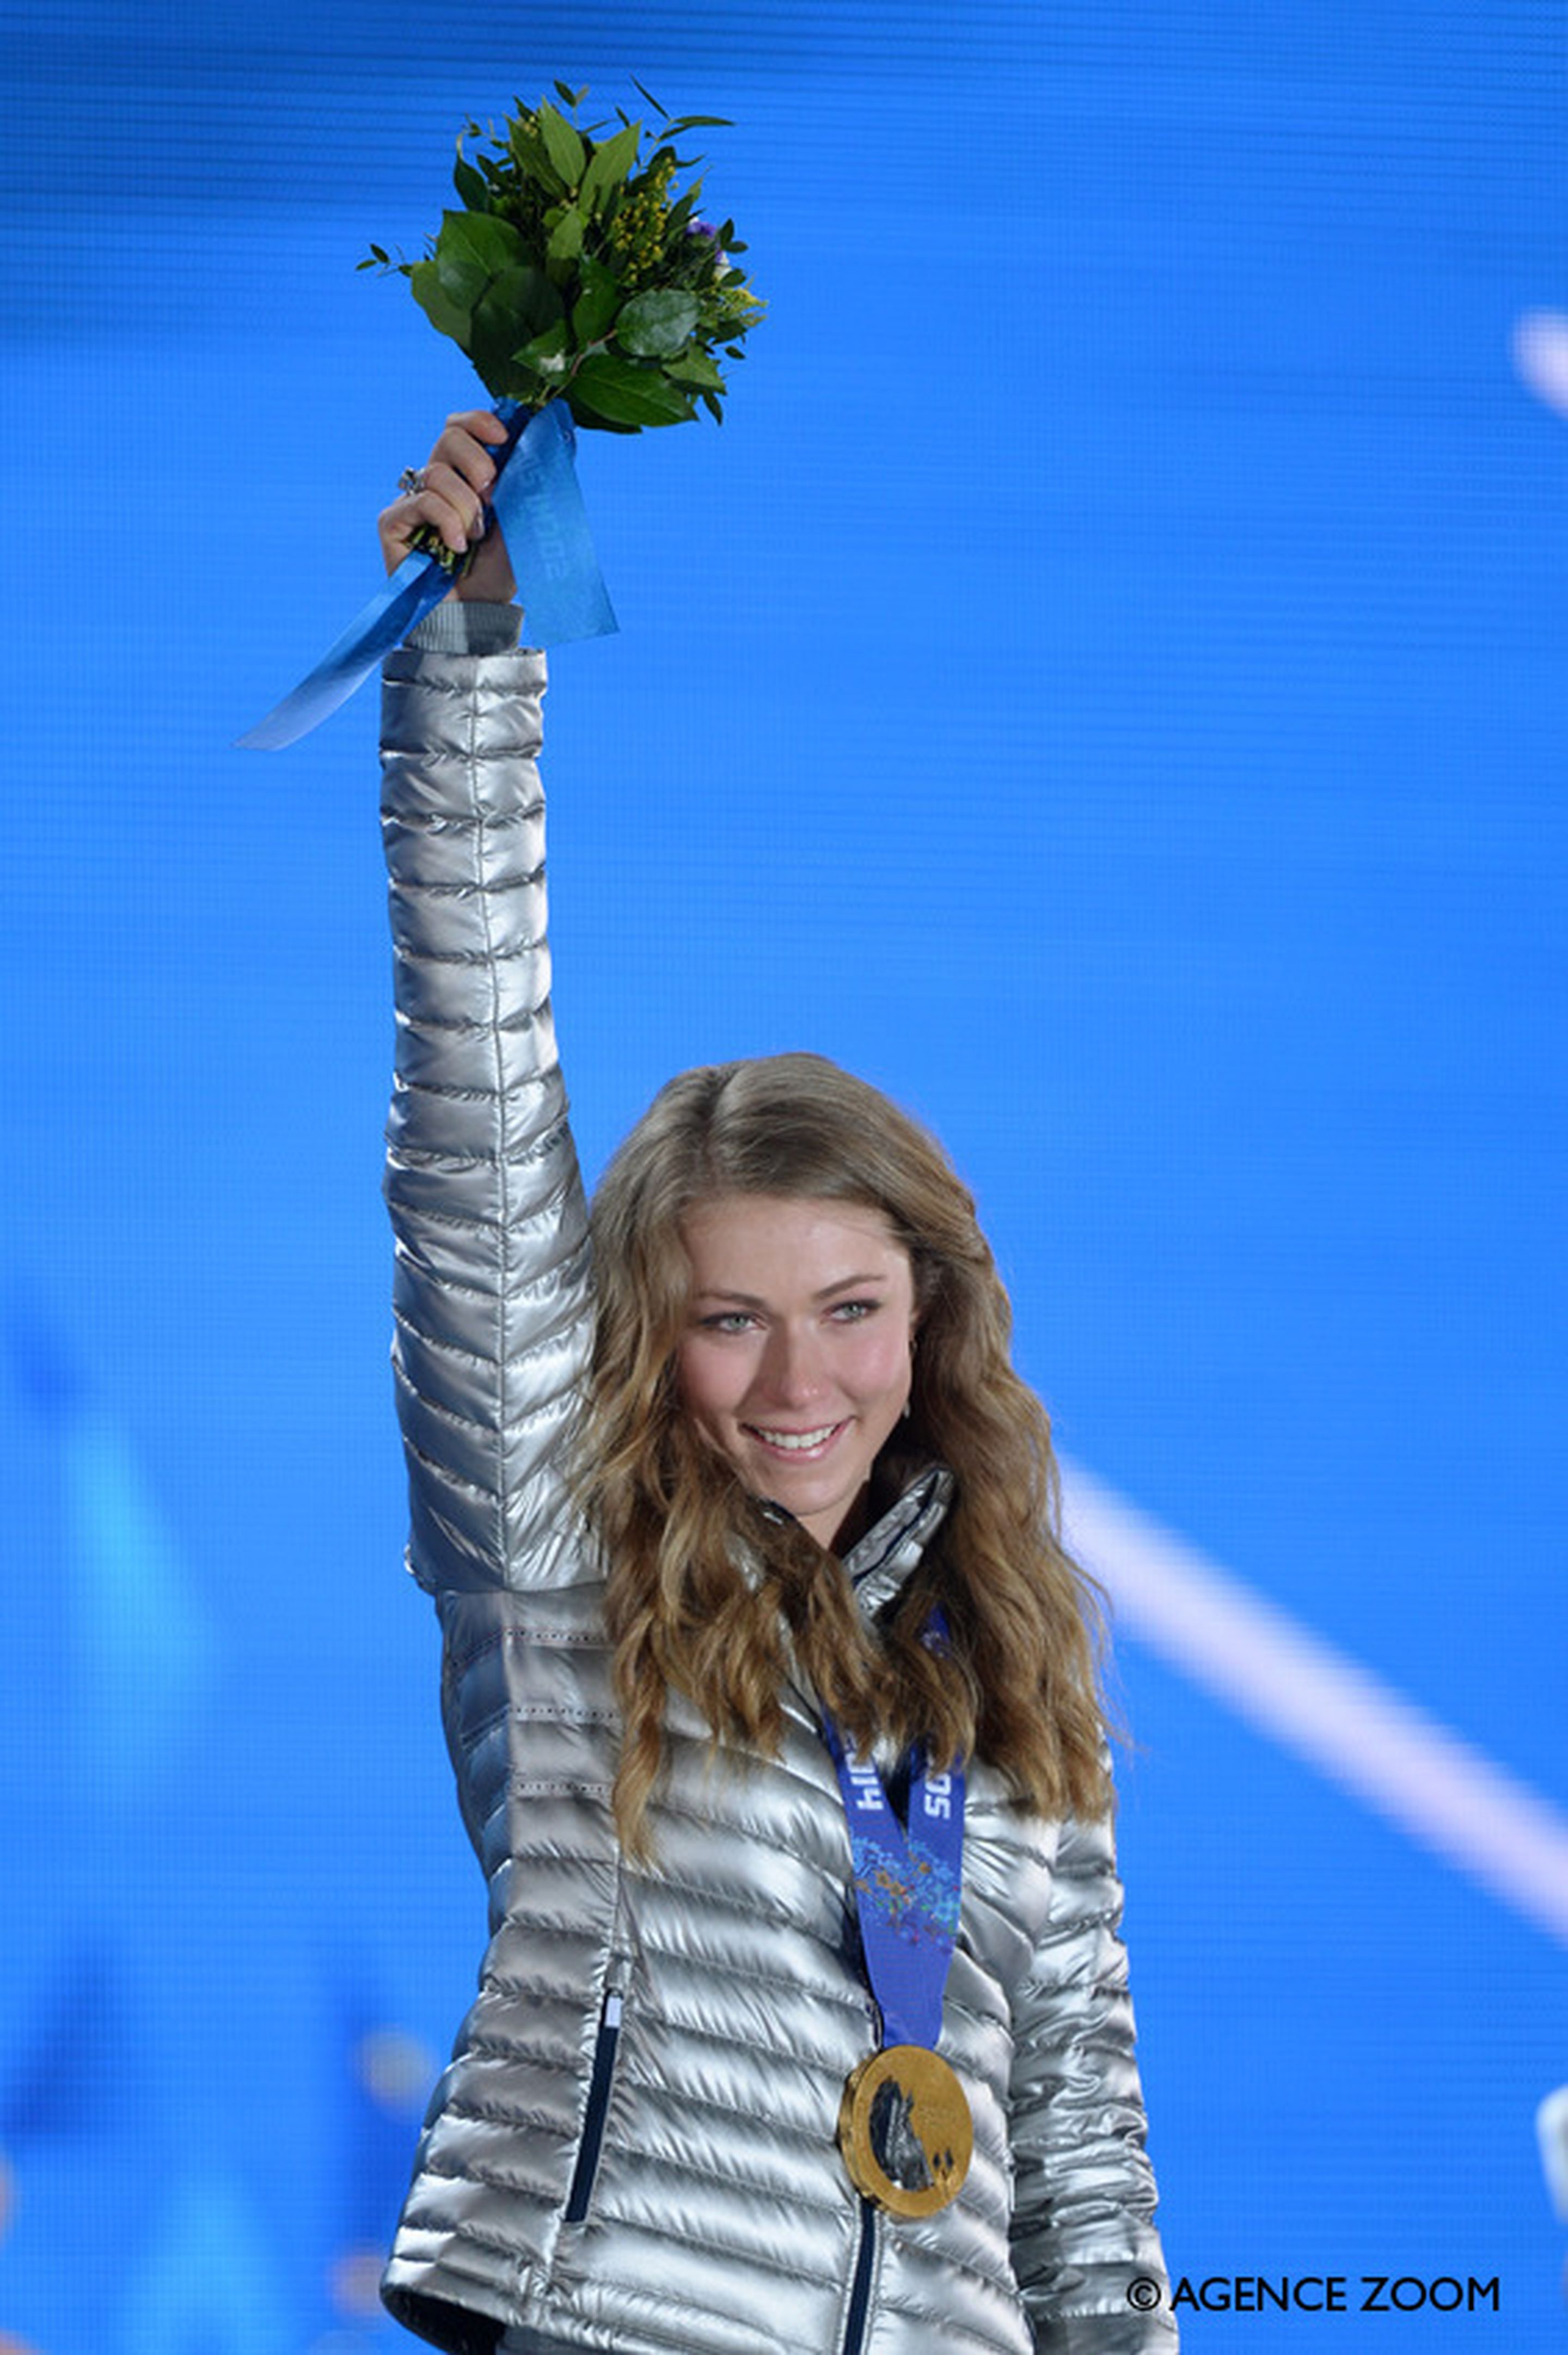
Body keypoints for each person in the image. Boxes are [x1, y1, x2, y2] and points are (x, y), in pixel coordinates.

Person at [372, 411, 1178, 2355]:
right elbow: (477, 1117)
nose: (797, 1380)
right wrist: (471, 667)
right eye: (729, 1319)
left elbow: (1080, 2140)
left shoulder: (1002, 1656)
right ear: (646, 1339)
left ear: (933, 1321)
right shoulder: (567, 1547)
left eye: (849, 1309)